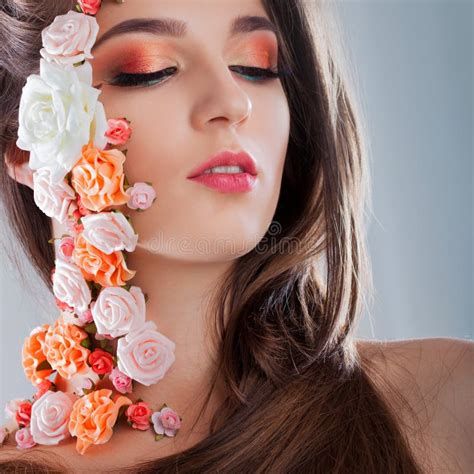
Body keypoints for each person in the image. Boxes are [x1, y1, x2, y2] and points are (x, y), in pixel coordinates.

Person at [0, 0, 471, 472]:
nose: (232, 101)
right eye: (149, 69)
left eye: (255, 66)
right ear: (23, 144)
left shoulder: (448, 405)